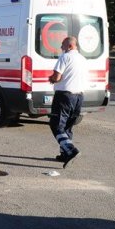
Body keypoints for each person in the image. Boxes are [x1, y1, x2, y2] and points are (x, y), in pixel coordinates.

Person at [48, 36, 87, 168]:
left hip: (64, 96)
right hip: (79, 97)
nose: (61, 47)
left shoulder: (65, 57)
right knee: (67, 126)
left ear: (70, 46)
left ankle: (71, 151)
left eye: (63, 44)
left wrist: (51, 79)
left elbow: (57, 76)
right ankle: (64, 153)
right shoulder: (83, 59)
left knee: (56, 125)